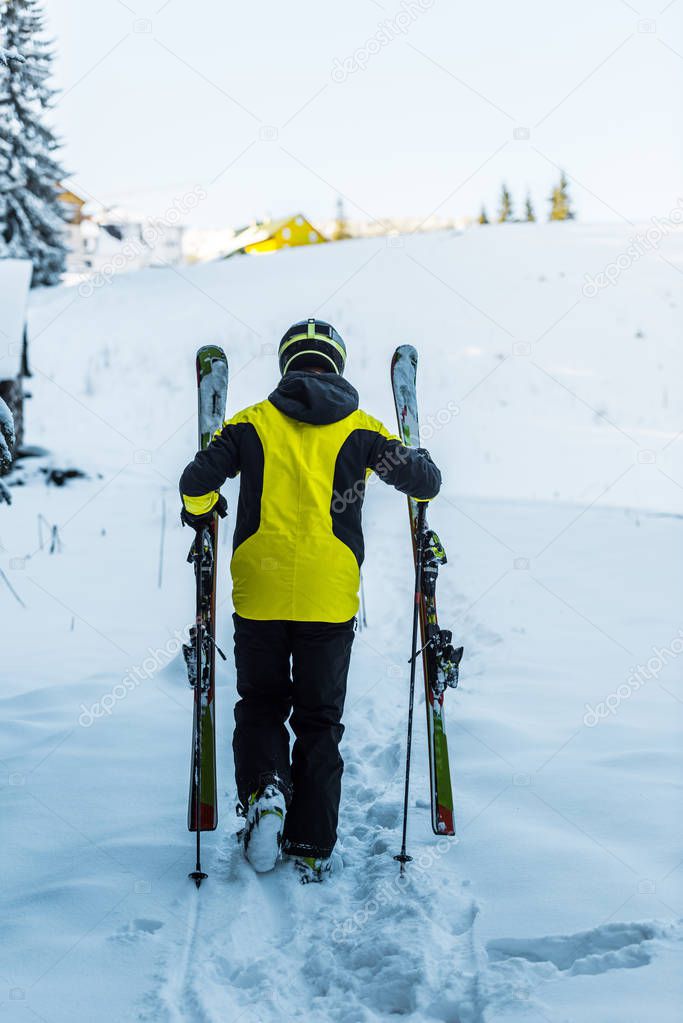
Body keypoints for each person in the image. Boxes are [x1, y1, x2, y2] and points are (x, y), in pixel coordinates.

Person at [179, 318, 441, 882]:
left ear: (287, 365)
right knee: (320, 722)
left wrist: (201, 512)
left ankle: (266, 793)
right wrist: (423, 462)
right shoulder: (364, 428)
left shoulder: (251, 424)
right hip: (329, 596)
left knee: (261, 705)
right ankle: (312, 844)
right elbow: (424, 482)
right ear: (337, 364)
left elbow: (195, 480)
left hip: (260, 592)